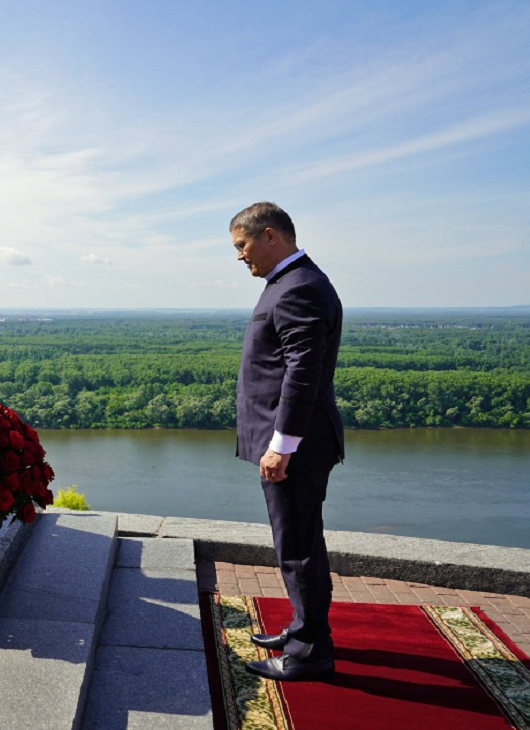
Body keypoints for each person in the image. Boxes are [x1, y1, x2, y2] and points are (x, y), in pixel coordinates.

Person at [231, 201, 344, 681]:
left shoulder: (299, 288)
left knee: (298, 547)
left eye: (242, 245)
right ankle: (302, 631)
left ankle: (310, 653)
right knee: (295, 541)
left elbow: (302, 373)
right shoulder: (289, 283)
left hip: (294, 448)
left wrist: (282, 444)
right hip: (289, 445)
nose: (239, 257)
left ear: (270, 235)